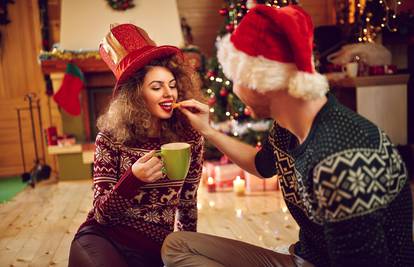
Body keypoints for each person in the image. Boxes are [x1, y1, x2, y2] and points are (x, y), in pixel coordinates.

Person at [161, 4, 414, 267]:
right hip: (305, 257)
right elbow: (261, 165)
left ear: (259, 80)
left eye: (236, 75)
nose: (235, 86)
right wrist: (208, 130)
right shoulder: (287, 129)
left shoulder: (341, 157)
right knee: (177, 246)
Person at [68, 23, 204, 267]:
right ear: (136, 94)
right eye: (156, 87)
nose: (169, 94)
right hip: (105, 239)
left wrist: (186, 252)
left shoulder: (191, 138)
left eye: (172, 85)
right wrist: (133, 178)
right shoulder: (110, 138)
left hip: (154, 251)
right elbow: (102, 214)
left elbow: (187, 204)